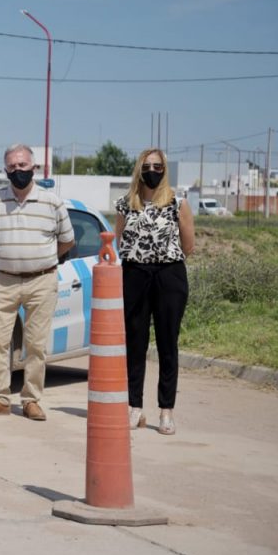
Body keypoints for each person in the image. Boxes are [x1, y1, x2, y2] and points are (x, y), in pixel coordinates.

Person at [0, 144, 74, 421]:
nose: (18, 170)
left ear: (34, 168)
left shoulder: (52, 202)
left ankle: (31, 400)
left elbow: (67, 241)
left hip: (42, 281)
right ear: (5, 170)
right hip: (3, 281)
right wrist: (0, 259)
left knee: (36, 344)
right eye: (13, 166)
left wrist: (44, 260)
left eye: (23, 165)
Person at [114, 148, 194, 436]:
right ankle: (134, 407)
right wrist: (140, 260)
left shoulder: (177, 203)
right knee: (135, 342)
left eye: (157, 166)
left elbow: (189, 245)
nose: (151, 171)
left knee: (167, 343)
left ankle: (166, 410)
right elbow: (119, 239)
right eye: (146, 166)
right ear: (139, 169)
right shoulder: (125, 204)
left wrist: (162, 260)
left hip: (169, 275)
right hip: (134, 274)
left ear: (164, 169)